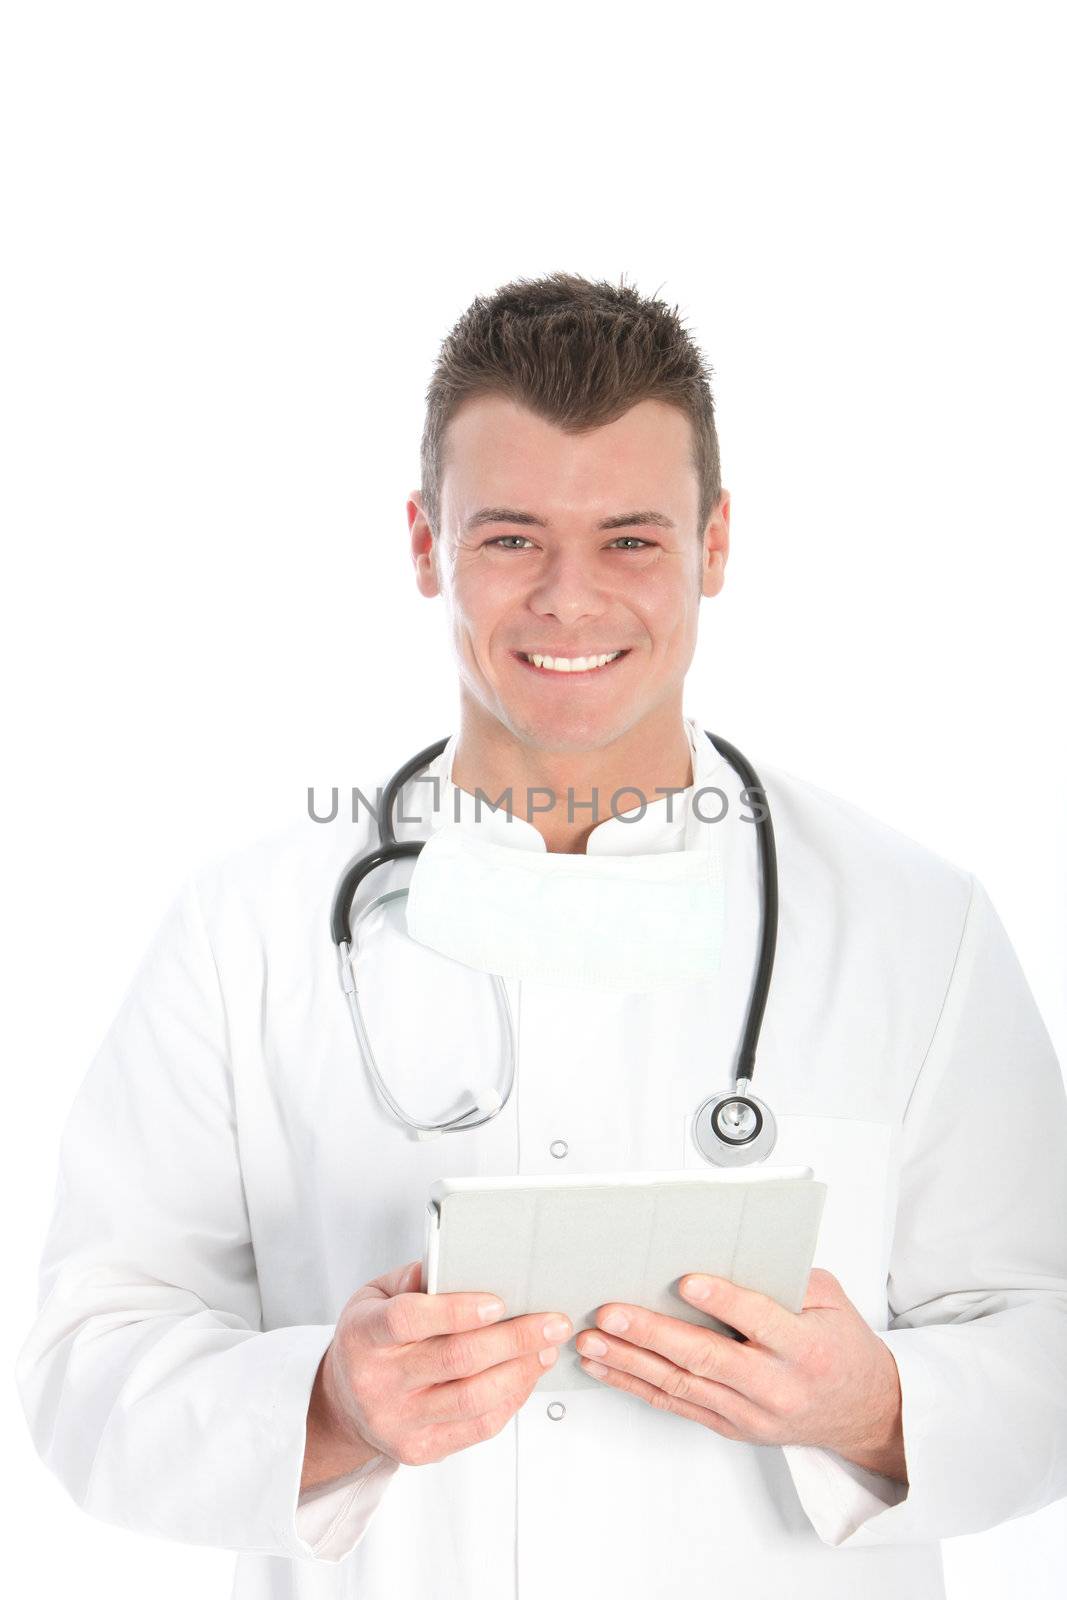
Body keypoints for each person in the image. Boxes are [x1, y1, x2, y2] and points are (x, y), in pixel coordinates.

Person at [15, 271, 1067, 1600]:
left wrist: (876, 1404)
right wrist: (331, 1403)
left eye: (631, 537)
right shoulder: (248, 932)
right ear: (422, 542)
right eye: (510, 538)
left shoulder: (919, 927)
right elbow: (83, 1365)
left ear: (717, 543)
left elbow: (1047, 1343)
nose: (570, 601)